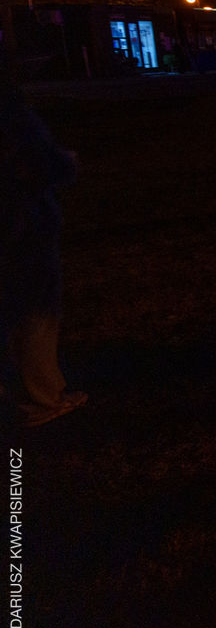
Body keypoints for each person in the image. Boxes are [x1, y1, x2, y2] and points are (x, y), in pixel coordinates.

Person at [1, 81, 87, 427]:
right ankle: (43, 396)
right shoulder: (16, 122)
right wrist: (66, 163)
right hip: (23, 227)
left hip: (13, 226)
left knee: (11, 310)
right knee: (37, 311)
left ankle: (18, 390)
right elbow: (41, 166)